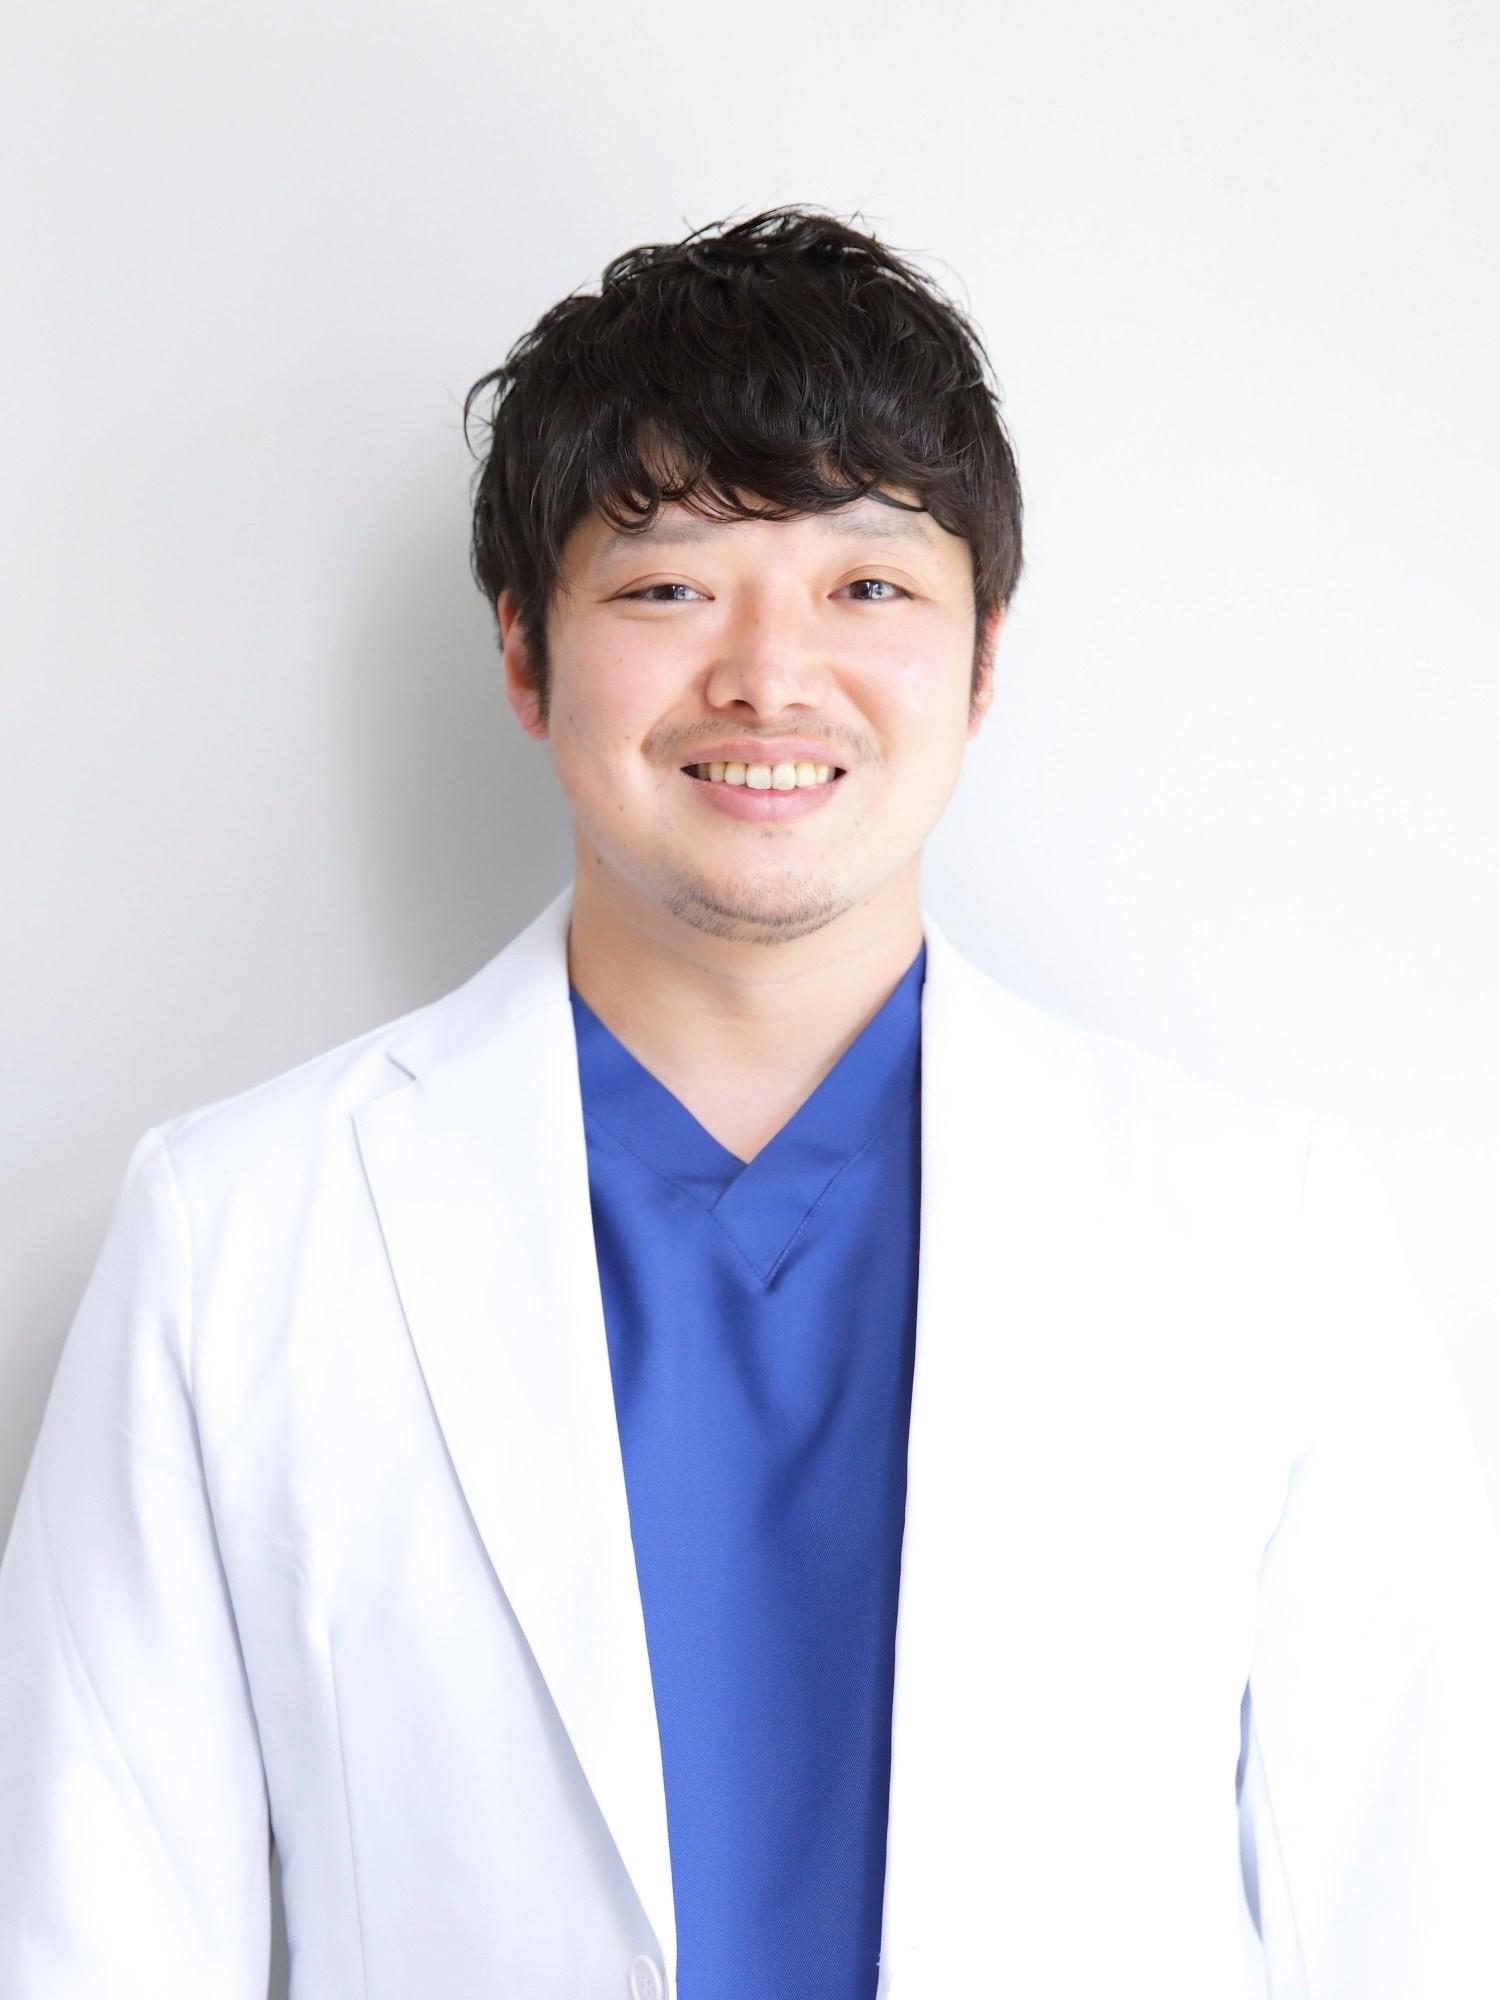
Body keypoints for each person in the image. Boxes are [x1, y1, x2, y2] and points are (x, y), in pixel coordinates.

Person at [1, 207, 1497, 2000]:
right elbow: (92, 1931)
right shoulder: (236, 1235)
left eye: (868, 587)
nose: (771, 675)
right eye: (668, 586)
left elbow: (1414, 1920)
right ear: (522, 652)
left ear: (984, 658)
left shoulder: (1261, 1234)